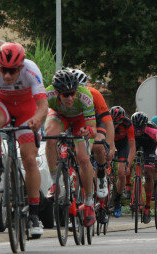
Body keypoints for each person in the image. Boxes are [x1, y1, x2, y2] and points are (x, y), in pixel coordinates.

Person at [0, 42, 49, 238]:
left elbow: (42, 105)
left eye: (12, 71)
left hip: (26, 110)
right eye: (3, 70)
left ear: (21, 67)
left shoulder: (31, 70)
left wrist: (38, 119)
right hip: (2, 104)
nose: (6, 76)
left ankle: (33, 214)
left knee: (29, 159)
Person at [44, 69, 98, 227]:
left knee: (83, 158)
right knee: (50, 136)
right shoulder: (48, 95)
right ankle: (55, 182)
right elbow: (38, 114)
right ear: (57, 93)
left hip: (80, 120)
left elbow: (93, 129)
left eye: (72, 93)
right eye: (65, 94)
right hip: (59, 116)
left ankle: (88, 202)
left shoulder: (85, 96)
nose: (70, 98)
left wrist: (87, 132)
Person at [69, 69, 114, 201]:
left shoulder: (95, 94)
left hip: (96, 120)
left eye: (81, 88)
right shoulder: (66, 96)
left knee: (98, 145)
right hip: (76, 121)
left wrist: (110, 147)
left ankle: (100, 174)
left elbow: (108, 122)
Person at [131, 111, 157, 224]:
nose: (137, 131)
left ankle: (147, 207)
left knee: (148, 173)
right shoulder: (130, 130)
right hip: (135, 143)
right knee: (125, 164)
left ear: (145, 126)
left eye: (140, 129)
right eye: (135, 129)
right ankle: (128, 187)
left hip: (150, 146)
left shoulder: (152, 131)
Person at [109, 106, 135, 217]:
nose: (114, 125)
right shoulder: (106, 120)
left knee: (121, 173)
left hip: (123, 145)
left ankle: (117, 201)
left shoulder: (128, 123)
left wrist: (128, 165)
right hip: (110, 141)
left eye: (117, 123)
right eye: (112, 122)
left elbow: (132, 147)